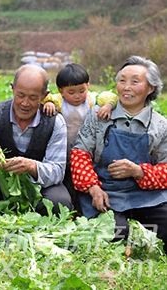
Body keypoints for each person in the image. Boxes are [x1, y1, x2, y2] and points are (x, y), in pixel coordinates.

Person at [71, 55, 167, 252]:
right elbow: (80, 153)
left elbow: (165, 169)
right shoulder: (99, 116)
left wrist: (139, 172)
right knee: (116, 231)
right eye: (122, 80)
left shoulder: (160, 126)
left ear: (151, 88)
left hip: (145, 195)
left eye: (135, 81)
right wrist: (93, 188)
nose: (126, 87)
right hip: (105, 192)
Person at [0, 64, 73, 215]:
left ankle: (32, 213)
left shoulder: (55, 122)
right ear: (12, 89)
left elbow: (57, 171)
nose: (25, 103)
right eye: (20, 95)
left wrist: (31, 167)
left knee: (60, 202)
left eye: (33, 98)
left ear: (44, 96)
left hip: (37, 188)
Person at [42, 63, 117, 208]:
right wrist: (49, 103)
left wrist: (107, 106)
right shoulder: (58, 101)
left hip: (86, 151)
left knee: (84, 179)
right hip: (63, 151)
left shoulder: (92, 100)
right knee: (66, 180)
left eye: (82, 90)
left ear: (88, 85)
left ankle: (83, 206)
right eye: (71, 92)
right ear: (61, 91)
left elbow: (111, 96)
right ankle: (69, 207)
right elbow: (44, 98)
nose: (77, 96)